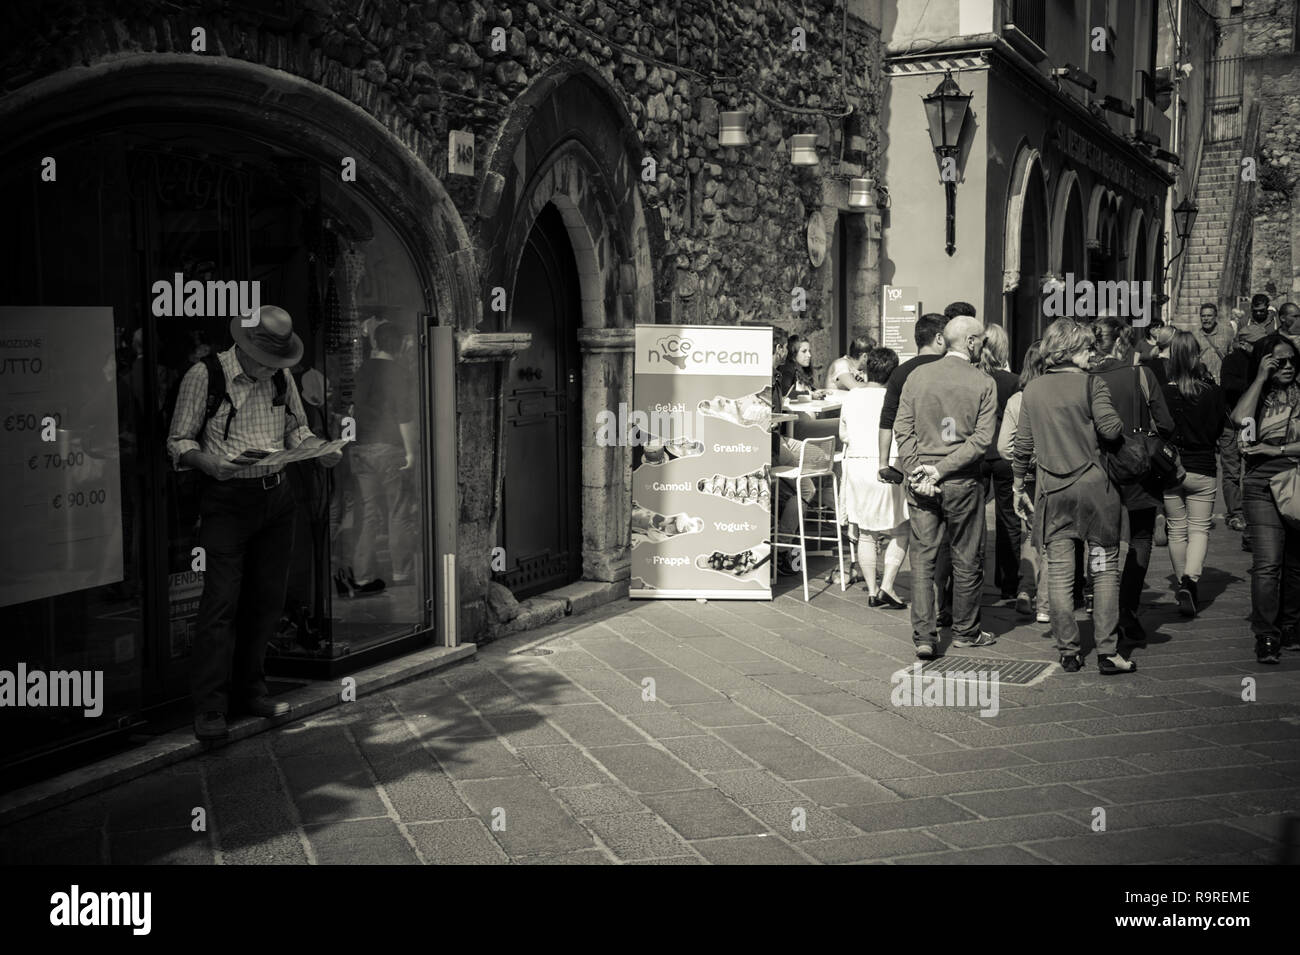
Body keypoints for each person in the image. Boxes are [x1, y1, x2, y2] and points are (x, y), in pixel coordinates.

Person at [167, 306, 344, 740]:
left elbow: (296, 430)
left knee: (267, 600)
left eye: (277, 364)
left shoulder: (280, 378)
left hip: (276, 498)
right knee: (221, 602)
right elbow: (178, 440)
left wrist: (319, 450)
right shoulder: (204, 376)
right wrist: (207, 463)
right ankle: (210, 707)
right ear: (244, 348)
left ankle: (252, 690)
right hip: (227, 500)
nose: (271, 371)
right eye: (265, 362)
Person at [1013, 319, 1134, 674]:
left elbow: (1022, 447)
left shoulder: (1033, 390)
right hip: (1096, 493)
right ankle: (1108, 653)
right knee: (1103, 569)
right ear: (1068, 350)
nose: (1091, 354)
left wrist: (1019, 486)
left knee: (1062, 573)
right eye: (1085, 348)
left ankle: (1068, 650)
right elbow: (1111, 430)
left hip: (1054, 493)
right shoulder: (1092, 384)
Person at [894, 314, 998, 658]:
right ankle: (966, 631)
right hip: (962, 481)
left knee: (922, 559)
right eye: (981, 339)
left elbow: (902, 429)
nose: (983, 344)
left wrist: (917, 472)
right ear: (969, 342)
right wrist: (938, 471)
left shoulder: (917, 375)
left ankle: (924, 635)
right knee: (967, 556)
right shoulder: (984, 382)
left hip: (924, 479)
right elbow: (982, 440)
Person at [1091, 317, 1175, 645]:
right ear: (1122, 341)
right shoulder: (1141, 374)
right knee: (1140, 537)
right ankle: (1128, 609)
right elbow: (1166, 424)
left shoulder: (1085, 377)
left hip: (1098, 467)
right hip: (1138, 466)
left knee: (1099, 541)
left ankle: (1098, 600)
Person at [879, 312, 954, 625]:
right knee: (949, 542)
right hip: (950, 463)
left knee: (923, 544)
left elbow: (888, 421)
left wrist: (883, 463)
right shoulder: (951, 369)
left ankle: (924, 615)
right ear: (939, 339)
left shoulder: (901, 374)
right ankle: (944, 604)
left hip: (914, 464)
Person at [1230, 332, 1300, 663]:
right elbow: (1239, 420)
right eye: (1278, 361)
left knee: (1295, 563)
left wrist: (1276, 448)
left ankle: (1291, 627)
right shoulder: (1258, 397)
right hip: (1261, 484)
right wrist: (1259, 377)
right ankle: (1267, 635)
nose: (1287, 366)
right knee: (1268, 562)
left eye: (1291, 360)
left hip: (1296, 480)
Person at [348, 321, 417, 595]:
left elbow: (348, 410)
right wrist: (412, 452)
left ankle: (363, 576)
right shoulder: (399, 374)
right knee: (399, 510)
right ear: (399, 345)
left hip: (360, 448)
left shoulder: (360, 371)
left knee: (368, 514)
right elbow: (405, 416)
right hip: (389, 448)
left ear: (375, 343)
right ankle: (401, 572)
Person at [1161, 331, 1225, 618]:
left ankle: (1180, 585)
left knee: (1176, 529)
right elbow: (1218, 431)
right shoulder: (1211, 392)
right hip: (1203, 469)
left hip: (1172, 469)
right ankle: (1190, 580)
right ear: (1196, 357)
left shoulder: (1164, 393)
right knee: (1199, 529)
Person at [839, 346, 908, 608]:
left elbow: (844, 434)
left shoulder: (852, 397)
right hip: (888, 465)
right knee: (901, 528)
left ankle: (871, 589)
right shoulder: (894, 397)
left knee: (866, 531)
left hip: (857, 466)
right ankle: (888, 584)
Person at [998, 341, 1049, 622]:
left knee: (1030, 534)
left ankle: (1025, 591)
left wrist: (1026, 459)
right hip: (1057, 474)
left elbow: (1005, 447)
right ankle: (1046, 603)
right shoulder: (1058, 396)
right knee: (1055, 537)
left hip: (1027, 477)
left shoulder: (1017, 400)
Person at [978, 324, 1021, 601]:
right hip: (1006, 454)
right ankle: (1008, 582)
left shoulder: (973, 378)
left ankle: (971, 577)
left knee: (972, 516)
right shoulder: (1013, 381)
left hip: (978, 453)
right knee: (1009, 518)